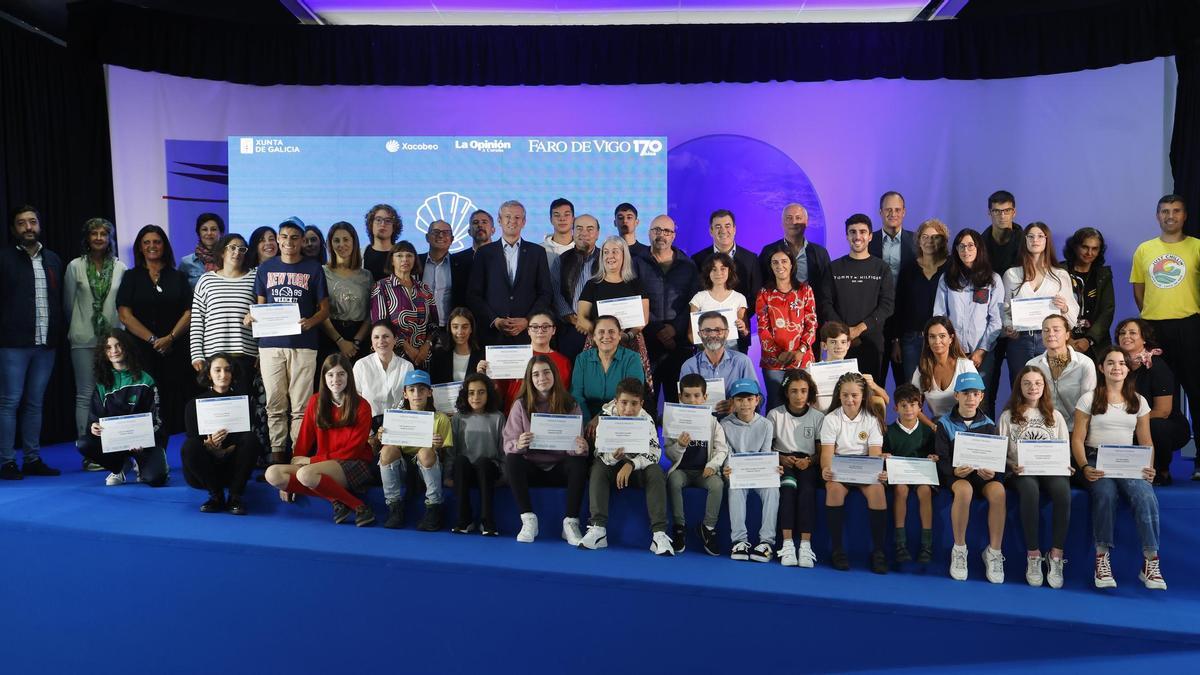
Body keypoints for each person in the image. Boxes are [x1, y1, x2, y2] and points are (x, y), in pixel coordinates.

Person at [1071, 346, 1166, 590]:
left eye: (1122, 363)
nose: (1117, 367)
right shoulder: (1089, 399)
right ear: (1101, 368)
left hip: (1128, 461)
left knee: (1145, 494)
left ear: (1128, 368)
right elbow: (1078, 439)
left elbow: (1146, 441)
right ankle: (1102, 558)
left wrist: (1149, 468)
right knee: (1105, 493)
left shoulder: (1139, 401)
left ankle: (1151, 561)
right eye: (1111, 363)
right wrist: (1083, 467)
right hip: (1095, 459)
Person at [1130, 194, 1200, 481]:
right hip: (1155, 329)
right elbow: (1139, 291)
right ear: (1157, 216)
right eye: (1165, 211)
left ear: (1185, 216)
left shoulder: (1196, 247)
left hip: (1190, 327)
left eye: (1176, 211)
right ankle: (1159, 466)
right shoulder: (1145, 250)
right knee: (1154, 397)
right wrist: (1151, 320)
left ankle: (1199, 461)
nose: (1170, 216)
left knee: (1196, 394)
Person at [250, 219, 330, 465]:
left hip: (304, 345)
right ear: (278, 239)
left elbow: (325, 309)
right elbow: (259, 308)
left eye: (294, 237)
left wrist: (312, 321)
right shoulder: (265, 269)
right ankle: (277, 457)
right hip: (270, 345)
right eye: (284, 237)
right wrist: (251, 317)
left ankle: (298, 457)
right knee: (275, 403)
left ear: (301, 240)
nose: (288, 242)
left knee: (301, 406)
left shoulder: (314, 269)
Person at [265, 354, 376, 526]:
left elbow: (352, 451)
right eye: (330, 375)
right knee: (273, 474)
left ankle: (360, 507)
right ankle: (336, 500)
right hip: (324, 463)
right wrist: (290, 482)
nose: (335, 379)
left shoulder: (362, 405)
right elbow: (304, 438)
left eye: (341, 374)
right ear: (324, 378)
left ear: (349, 376)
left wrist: (310, 461)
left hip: (355, 462)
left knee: (306, 473)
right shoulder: (316, 401)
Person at [0, 205, 64, 479]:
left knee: (35, 402)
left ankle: (32, 458)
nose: (28, 227)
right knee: (9, 402)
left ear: (39, 225)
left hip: (45, 344)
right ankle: (6, 461)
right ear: (14, 229)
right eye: (22, 223)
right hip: (13, 344)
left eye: (32, 222)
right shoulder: (4, 259)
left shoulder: (53, 259)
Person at [578, 378, 673, 556]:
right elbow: (599, 451)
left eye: (634, 404)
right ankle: (598, 529)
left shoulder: (647, 419)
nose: (628, 409)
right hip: (612, 467)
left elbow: (654, 453)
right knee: (597, 467)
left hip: (637, 470)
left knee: (656, 471)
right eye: (624, 403)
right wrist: (613, 457)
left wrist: (631, 464)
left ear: (642, 403)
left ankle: (659, 534)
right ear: (616, 401)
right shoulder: (606, 417)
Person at [503, 356, 590, 544]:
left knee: (579, 462)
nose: (541, 377)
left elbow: (576, 449)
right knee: (512, 459)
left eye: (546, 372)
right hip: (531, 468)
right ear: (530, 379)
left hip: (559, 467)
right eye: (535, 374)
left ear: (554, 375)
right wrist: (519, 444)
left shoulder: (570, 404)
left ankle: (571, 523)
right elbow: (508, 443)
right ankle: (528, 520)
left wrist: (580, 448)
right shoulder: (520, 404)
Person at [999, 366, 1070, 588]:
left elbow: (1063, 448)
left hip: (1049, 470)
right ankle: (1033, 554)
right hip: (1019, 471)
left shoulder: (1055, 416)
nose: (1033, 387)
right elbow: (1000, 453)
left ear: (1044, 387)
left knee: (1063, 491)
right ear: (1019, 387)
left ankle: (1056, 555)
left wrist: (1066, 466)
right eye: (1027, 383)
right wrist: (1012, 465)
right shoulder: (1008, 416)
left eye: (1038, 383)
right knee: (1029, 489)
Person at [116, 224, 192, 434]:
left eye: (157, 242)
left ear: (164, 246)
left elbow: (189, 312)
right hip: (140, 351)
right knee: (142, 400)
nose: (152, 246)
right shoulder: (131, 277)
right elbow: (125, 315)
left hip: (174, 350)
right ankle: (141, 453)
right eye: (146, 242)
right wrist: (153, 340)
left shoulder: (178, 277)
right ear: (140, 247)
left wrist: (170, 338)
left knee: (170, 403)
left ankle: (165, 454)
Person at [64, 217, 126, 467]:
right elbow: (68, 305)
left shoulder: (121, 267)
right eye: (94, 234)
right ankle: (89, 452)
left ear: (110, 238)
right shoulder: (75, 266)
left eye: (104, 234)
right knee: (85, 394)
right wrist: (82, 325)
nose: (99, 238)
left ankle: (115, 449)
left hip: (112, 341)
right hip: (83, 337)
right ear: (87, 238)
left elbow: (121, 305)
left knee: (113, 393)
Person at [933, 372, 1006, 583]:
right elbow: (941, 458)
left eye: (975, 393)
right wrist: (953, 471)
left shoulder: (989, 424)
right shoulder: (944, 424)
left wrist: (993, 471)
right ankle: (959, 549)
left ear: (981, 396)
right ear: (956, 395)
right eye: (965, 393)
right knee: (965, 490)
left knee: (999, 491)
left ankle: (994, 551)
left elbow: (997, 461)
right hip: (957, 476)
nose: (970, 398)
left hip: (982, 476)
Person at [77, 329, 168, 487]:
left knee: (156, 479)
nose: (114, 351)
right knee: (83, 444)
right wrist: (94, 427)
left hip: (144, 443)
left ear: (126, 347)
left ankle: (143, 463)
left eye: (118, 345)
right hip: (116, 444)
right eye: (109, 347)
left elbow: (158, 420)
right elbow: (94, 419)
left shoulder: (146, 379)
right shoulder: (102, 384)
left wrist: (143, 439)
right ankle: (120, 466)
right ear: (104, 353)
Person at [819, 372, 888, 573]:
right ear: (838, 395)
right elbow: (827, 454)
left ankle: (878, 551)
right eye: (845, 395)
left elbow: (875, 454)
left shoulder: (872, 420)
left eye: (854, 395)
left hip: (865, 469)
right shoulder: (831, 419)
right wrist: (826, 470)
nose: (850, 400)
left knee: (878, 491)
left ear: (863, 396)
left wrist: (878, 472)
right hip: (839, 470)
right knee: (833, 490)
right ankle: (837, 550)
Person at [933, 229, 1003, 415]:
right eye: (961, 246)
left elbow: (996, 321)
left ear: (979, 248)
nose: (966, 250)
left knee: (981, 402)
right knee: (954, 402)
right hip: (953, 353)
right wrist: (951, 349)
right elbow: (939, 317)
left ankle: (982, 443)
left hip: (982, 355)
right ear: (956, 250)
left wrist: (980, 352)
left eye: (971, 245)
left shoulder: (993, 280)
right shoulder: (947, 279)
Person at [181, 354, 261, 515]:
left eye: (227, 370)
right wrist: (210, 448)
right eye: (217, 370)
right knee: (189, 446)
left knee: (252, 439)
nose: (223, 375)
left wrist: (224, 451)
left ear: (233, 374)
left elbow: (245, 440)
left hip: (234, 467)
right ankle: (216, 495)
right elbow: (194, 439)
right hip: (206, 469)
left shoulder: (244, 402)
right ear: (209, 374)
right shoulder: (193, 405)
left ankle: (235, 496)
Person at [819, 214, 894, 383]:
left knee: (872, 396)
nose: (857, 236)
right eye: (852, 232)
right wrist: (844, 332)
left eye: (862, 232)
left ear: (870, 236)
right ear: (847, 236)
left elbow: (887, 305)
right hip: (839, 345)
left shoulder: (881, 268)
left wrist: (859, 328)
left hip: (872, 344)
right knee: (839, 396)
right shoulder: (834, 268)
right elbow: (825, 303)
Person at [467, 200, 554, 345]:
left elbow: (545, 293)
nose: (512, 221)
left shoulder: (537, 252)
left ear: (524, 222)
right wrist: (495, 321)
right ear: (499, 221)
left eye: (517, 217)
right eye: (507, 217)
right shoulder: (484, 253)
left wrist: (528, 320)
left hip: (528, 334)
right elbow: (473, 294)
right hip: (492, 334)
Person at [1115, 318, 1189, 486]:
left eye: (1133, 333)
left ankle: (1162, 471)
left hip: (1167, 424)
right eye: (1122, 333)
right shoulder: (1116, 365)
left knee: (1155, 426)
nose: (1126, 336)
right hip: (1130, 421)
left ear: (1144, 338)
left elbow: (1163, 411)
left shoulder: (1156, 366)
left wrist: (1130, 422)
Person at [635, 215, 700, 405]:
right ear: (648, 233)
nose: (661, 235)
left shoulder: (688, 265)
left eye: (667, 231)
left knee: (678, 402)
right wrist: (658, 330)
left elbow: (693, 301)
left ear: (673, 235)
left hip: (679, 346)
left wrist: (673, 329)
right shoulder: (637, 263)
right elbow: (636, 300)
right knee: (647, 402)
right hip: (647, 344)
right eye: (656, 230)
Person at [377, 370, 452, 531]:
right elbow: (390, 449)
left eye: (422, 389)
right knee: (386, 450)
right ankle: (394, 506)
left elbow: (449, 455)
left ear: (430, 392)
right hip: (403, 470)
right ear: (405, 394)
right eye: (411, 390)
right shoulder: (396, 417)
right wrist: (382, 436)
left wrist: (438, 447)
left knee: (425, 452)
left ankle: (434, 507)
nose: (417, 394)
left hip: (429, 471)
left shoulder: (441, 419)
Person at [1002, 222, 1078, 376]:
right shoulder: (1012, 274)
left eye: (1040, 236)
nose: (1035, 240)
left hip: (1052, 339)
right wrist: (1008, 326)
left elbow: (1072, 314)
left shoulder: (1060, 275)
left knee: (1054, 388)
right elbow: (1004, 309)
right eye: (1030, 236)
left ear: (1047, 240)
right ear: (1025, 241)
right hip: (1020, 341)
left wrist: (1064, 308)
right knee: (1021, 388)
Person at [664, 373, 728, 555]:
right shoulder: (673, 421)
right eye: (687, 396)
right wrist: (680, 446)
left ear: (705, 397)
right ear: (680, 397)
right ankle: (679, 526)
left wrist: (713, 465)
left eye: (697, 396)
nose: (692, 400)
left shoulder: (713, 422)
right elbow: (668, 453)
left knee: (717, 484)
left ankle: (707, 527)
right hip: (682, 470)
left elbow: (722, 449)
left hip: (704, 471)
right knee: (673, 481)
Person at [189, 234, 257, 395]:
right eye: (232, 248)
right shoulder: (206, 280)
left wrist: (261, 352)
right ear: (222, 252)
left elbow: (262, 315)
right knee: (216, 409)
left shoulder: (255, 277)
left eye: (242, 249)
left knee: (243, 407)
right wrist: (196, 354)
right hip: (213, 357)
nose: (237, 252)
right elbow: (198, 320)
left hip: (246, 354)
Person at [768, 370, 823, 568]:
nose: (799, 396)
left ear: (810, 392)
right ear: (785, 392)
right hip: (784, 462)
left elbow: (820, 453)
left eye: (803, 391)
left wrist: (810, 461)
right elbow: (768, 448)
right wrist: (781, 458)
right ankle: (788, 543)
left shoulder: (818, 417)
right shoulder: (775, 415)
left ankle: (806, 545)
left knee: (807, 491)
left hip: (807, 463)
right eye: (794, 391)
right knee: (788, 489)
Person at [721, 378, 779, 562]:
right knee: (735, 489)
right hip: (738, 474)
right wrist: (726, 469)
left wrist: (771, 468)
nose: (744, 404)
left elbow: (766, 453)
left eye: (749, 399)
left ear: (757, 400)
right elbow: (726, 454)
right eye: (739, 399)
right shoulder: (725, 425)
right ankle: (739, 541)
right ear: (732, 402)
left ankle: (766, 542)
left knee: (772, 490)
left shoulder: (766, 425)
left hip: (760, 473)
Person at [690, 209, 761, 353]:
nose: (723, 230)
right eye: (718, 226)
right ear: (710, 231)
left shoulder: (751, 259)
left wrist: (740, 317)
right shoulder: (698, 260)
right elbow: (694, 294)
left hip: (737, 336)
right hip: (706, 340)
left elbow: (756, 295)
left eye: (727, 226)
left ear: (734, 229)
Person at [756, 247, 818, 412]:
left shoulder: (805, 290)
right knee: (776, 402)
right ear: (770, 266)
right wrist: (778, 353)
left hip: (802, 358)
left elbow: (811, 323)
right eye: (775, 262)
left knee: (802, 403)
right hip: (774, 362)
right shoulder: (764, 293)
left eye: (784, 261)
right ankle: (774, 438)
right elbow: (763, 328)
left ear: (792, 264)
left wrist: (801, 349)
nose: (779, 265)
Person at [884, 384, 937, 565]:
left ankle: (926, 545)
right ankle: (900, 544)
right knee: (900, 490)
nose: (908, 409)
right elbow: (884, 454)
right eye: (904, 405)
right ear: (895, 408)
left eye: (913, 405)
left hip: (921, 475)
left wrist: (934, 457)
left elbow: (934, 453)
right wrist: (884, 457)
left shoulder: (927, 431)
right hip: (899, 476)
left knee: (925, 491)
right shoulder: (889, 432)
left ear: (920, 406)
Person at [449, 373, 506, 536]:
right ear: (465, 395)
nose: (476, 397)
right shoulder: (458, 418)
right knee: (460, 461)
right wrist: (447, 475)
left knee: (483, 462)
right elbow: (451, 451)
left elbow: (504, 451)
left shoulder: (498, 417)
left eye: (481, 392)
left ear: (489, 394)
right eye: (471, 392)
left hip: (489, 471)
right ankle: (464, 520)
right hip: (464, 471)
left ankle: (487, 521)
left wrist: (505, 477)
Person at [869, 192, 916, 387]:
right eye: (888, 210)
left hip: (906, 322)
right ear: (880, 212)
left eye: (897, 210)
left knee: (907, 385)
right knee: (873, 383)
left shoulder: (916, 242)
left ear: (904, 212)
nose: (893, 214)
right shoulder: (868, 242)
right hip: (875, 320)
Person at [895, 219, 950, 385]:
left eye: (935, 237)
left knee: (943, 389)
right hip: (912, 339)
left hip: (942, 340)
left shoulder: (952, 266)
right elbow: (900, 306)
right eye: (925, 237)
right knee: (913, 391)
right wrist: (896, 341)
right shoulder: (908, 269)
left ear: (943, 240)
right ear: (918, 240)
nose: (929, 241)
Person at [757, 203, 831, 323]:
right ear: (782, 222)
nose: (794, 222)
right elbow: (761, 284)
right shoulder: (768, 251)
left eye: (798, 218)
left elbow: (827, 289)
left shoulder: (820, 253)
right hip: (778, 318)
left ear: (806, 222)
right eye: (789, 218)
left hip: (811, 319)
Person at [370, 240, 437, 369]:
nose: (405, 259)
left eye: (409, 255)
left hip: (424, 357)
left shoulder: (424, 289)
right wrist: (407, 348)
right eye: (399, 255)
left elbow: (433, 323)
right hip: (393, 357)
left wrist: (426, 345)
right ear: (392, 260)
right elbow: (380, 325)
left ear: (415, 260)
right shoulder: (381, 287)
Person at [982, 191, 1023, 401]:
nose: (1002, 216)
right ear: (989, 213)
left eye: (1006, 211)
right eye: (997, 211)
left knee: (1023, 384)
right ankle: (983, 430)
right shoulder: (979, 244)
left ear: (1013, 212)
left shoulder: (1026, 241)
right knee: (985, 388)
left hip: (1020, 324)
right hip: (989, 322)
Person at [486, 310, 570, 411]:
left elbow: (563, 395)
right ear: (528, 330)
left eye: (545, 326)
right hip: (514, 414)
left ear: (553, 330)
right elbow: (499, 390)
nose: (540, 331)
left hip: (548, 417)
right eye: (535, 327)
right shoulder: (512, 355)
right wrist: (487, 372)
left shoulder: (563, 361)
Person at [1026, 314, 1096, 432]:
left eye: (1056, 330)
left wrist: (1078, 437)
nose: (1050, 334)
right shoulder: (1032, 365)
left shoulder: (1084, 364)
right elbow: (1028, 403)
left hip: (1076, 430)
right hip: (1042, 431)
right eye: (1046, 330)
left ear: (1067, 334)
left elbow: (1088, 405)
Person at [679, 311, 757, 415]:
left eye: (718, 330)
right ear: (699, 334)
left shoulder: (742, 362)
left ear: (727, 333)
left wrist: (736, 406)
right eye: (707, 331)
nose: (712, 335)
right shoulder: (689, 366)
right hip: (702, 424)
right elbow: (684, 405)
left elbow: (758, 398)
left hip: (736, 423)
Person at [319, 221, 372, 369]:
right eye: (336, 240)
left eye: (346, 239)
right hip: (330, 336)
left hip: (359, 338)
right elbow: (320, 311)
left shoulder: (366, 276)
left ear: (354, 242)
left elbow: (370, 313)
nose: (341, 244)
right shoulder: (322, 272)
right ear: (330, 244)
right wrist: (340, 340)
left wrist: (356, 342)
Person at [570, 316, 645, 420]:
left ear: (619, 336)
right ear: (594, 337)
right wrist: (587, 422)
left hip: (621, 419)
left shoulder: (632, 358)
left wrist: (602, 417)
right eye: (601, 332)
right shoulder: (582, 359)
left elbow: (632, 396)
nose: (606, 336)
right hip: (586, 418)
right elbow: (576, 395)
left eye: (611, 332)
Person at [550, 213, 601, 361]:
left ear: (597, 234)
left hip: (600, 329)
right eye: (579, 228)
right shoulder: (562, 259)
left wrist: (594, 325)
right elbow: (555, 291)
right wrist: (573, 318)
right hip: (570, 328)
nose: (584, 233)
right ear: (573, 231)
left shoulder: (607, 259)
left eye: (590, 229)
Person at [810, 321, 889, 413]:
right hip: (820, 420)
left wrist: (873, 385)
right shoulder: (813, 371)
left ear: (848, 345)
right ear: (824, 345)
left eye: (843, 342)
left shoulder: (854, 372)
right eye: (833, 342)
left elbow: (886, 399)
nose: (839, 346)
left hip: (848, 421)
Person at [912, 316, 978, 426]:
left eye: (942, 336)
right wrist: (932, 427)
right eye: (932, 337)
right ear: (927, 340)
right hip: (937, 425)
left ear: (951, 338)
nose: (937, 341)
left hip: (965, 425)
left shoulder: (965, 366)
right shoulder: (921, 370)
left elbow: (977, 402)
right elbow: (913, 406)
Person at [1063, 227, 1115, 359]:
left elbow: (1107, 310)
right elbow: (1052, 308)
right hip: (1063, 341)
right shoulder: (1059, 271)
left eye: (1095, 248)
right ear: (1075, 247)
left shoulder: (1103, 275)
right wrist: (1066, 338)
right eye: (1085, 247)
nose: (1089, 252)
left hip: (1095, 344)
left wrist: (1089, 339)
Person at [352, 320, 415, 418]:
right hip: (368, 425)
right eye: (376, 337)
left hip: (398, 424)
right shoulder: (361, 365)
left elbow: (411, 401)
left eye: (386, 336)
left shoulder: (407, 367)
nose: (381, 341)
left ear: (395, 339)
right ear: (372, 341)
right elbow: (354, 402)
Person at [689, 252, 748, 349]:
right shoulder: (698, 298)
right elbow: (691, 334)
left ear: (730, 271)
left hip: (732, 354)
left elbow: (745, 333)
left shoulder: (739, 298)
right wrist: (708, 351)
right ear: (708, 272)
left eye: (723, 269)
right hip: (706, 353)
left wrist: (743, 329)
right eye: (713, 269)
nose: (718, 273)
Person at [449, 209, 494, 312]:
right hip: (464, 320)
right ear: (469, 232)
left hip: (495, 321)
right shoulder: (456, 259)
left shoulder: (504, 257)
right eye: (475, 222)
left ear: (493, 230)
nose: (480, 225)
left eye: (484, 222)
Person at [429, 307, 484, 385]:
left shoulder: (482, 356)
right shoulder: (439, 355)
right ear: (450, 329)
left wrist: (482, 375)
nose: (460, 331)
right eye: (455, 327)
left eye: (465, 327)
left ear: (471, 329)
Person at [418, 219, 454, 328]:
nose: (441, 236)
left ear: (452, 239)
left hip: (450, 329)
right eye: (436, 232)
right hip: (419, 328)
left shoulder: (461, 266)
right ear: (427, 237)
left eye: (446, 232)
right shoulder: (415, 262)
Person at [179, 213, 225, 287]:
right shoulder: (186, 262)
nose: (209, 233)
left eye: (213, 229)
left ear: (221, 233)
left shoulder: (228, 260)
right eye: (204, 229)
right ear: (199, 233)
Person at [363, 203, 402, 281]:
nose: (383, 224)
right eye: (378, 220)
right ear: (371, 224)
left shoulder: (402, 255)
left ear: (394, 227)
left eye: (388, 221)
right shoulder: (360, 254)